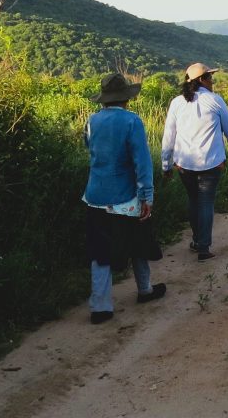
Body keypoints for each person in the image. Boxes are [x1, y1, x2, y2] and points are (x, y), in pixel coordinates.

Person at [83, 73, 166, 325]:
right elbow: (141, 162)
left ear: (104, 99)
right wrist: (147, 197)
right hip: (124, 197)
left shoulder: (92, 120)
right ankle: (145, 290)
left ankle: (100, 306)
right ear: (126, 98)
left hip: (95, 195)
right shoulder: (132, 121)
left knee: (100, 251)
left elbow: (90, 148)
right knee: (138, 241)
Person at [161, 62, 228, 261]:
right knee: (206, 202)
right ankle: (203, 248)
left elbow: (169, 135)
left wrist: (166, 163)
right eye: (210, 78)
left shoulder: (177, 103)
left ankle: (197, 241)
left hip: (184, 164)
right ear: (202, 80)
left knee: (194, 200)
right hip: (212, 163)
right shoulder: (215, 101)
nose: (212, 81)